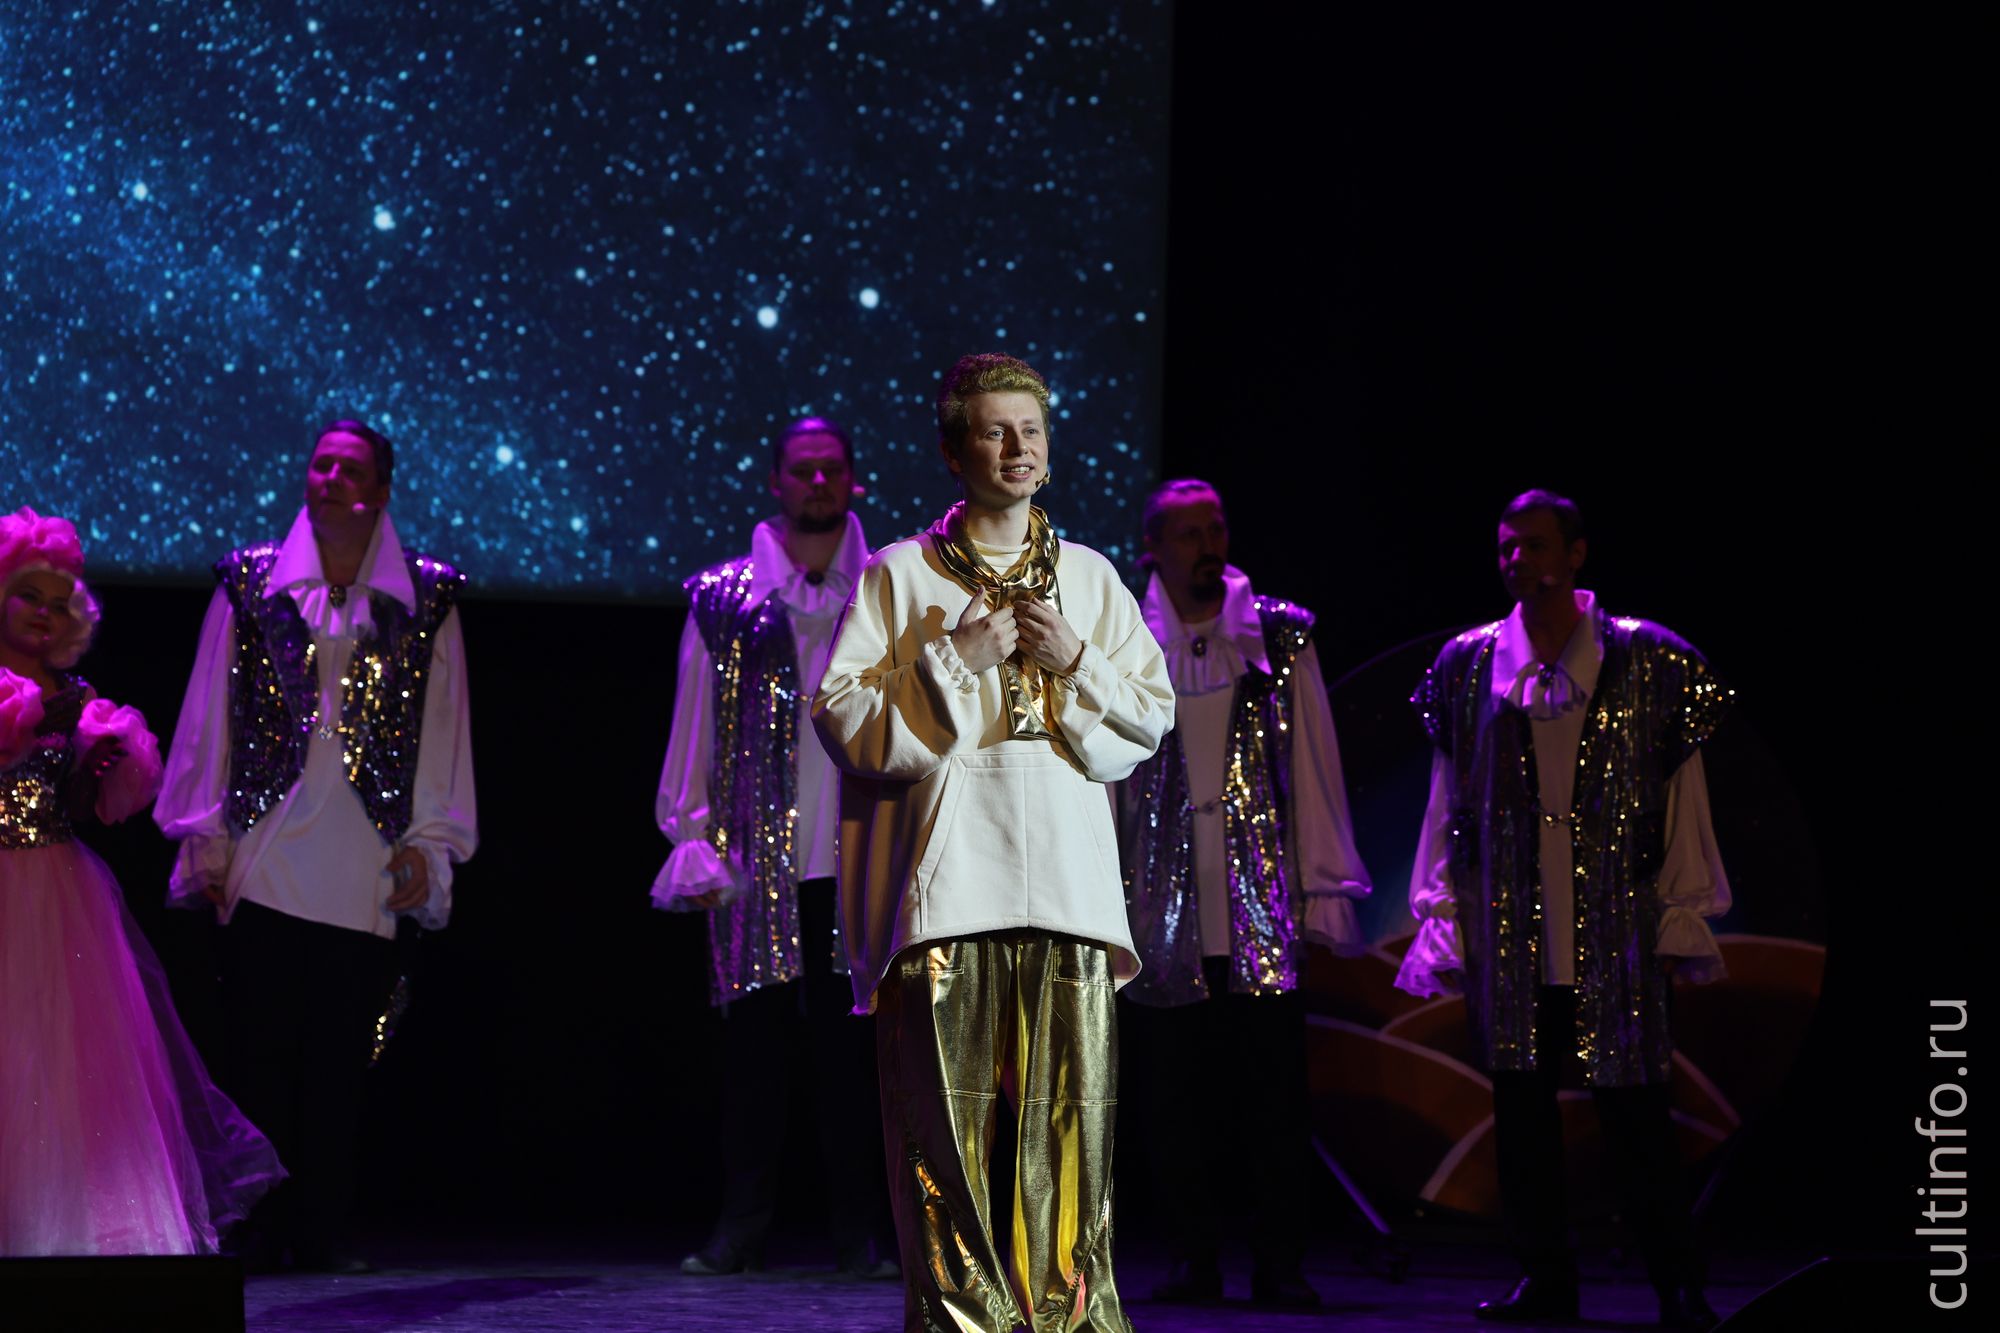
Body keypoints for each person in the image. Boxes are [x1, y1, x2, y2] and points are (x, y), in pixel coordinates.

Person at [812, 352, 1173, 1333]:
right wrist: (955, 659)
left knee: (1073, 1131)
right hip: (949, 893)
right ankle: (959, 1319)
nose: (1017, 448)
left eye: (1031, 431)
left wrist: (1076, 660)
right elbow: (843, 720)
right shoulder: (900, 575)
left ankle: (1071, 1319)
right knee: (944, 1135)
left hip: (1068, 891)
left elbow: (1146, 718)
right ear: (953, 450)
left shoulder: (1090, 577)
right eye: (994, 431)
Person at [1395, 489, 1729, 1331]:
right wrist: (1443, 908)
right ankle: (1544, 1277)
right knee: (1522, 1115)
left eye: (1536, 545)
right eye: (1507, 547)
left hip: (1615, 927)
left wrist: (1683, 909)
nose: (1519, 561)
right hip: (1512, 928)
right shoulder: (1469, 663)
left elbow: (1683, 795)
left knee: (1636, 1114)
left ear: (1576, 554)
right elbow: (1447, 797)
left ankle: (1676, 1282)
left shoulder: (1648, 656)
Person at [154, 421, 477, 1272]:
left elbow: (443, 726)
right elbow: (209, 710)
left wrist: (430, 841)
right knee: (259, 1045)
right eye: (320, 462)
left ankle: (326, 1228)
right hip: (268, 843)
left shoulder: (427, 598)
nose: (329, 476)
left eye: (350, 468)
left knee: (339, 1055)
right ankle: (259, 1224)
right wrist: (204, 831)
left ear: (381, 490)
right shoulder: (250, 582)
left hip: (363, 853)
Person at [1, 507, 283, 1255]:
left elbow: (85, 807)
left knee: (62, 1063)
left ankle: (64, 1231)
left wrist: (97, 762)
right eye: (27, 595)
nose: (43, 612)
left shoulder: (76, 697)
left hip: (56, 889)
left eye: (58, 601)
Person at [652, 416, 896, 1279]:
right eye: (803, 470)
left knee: (853, 1063)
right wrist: (691, 832)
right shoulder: (724, 598)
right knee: (751, 1060)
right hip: (755, 862)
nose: (818, 483)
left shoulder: (895, 590)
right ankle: (741, 1227)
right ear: (777, 482)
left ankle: (859, 1234)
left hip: (858, 862)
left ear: (852, 480)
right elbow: (695, 718)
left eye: (832, 469)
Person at [1118, 477, 1372, 1307]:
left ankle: (1279, 1262)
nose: (1208, 544)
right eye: (1189, 533)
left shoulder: (1281, 637)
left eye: (1216, 528)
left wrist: (1321, 887)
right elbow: (1103, 780)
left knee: (1272, 1098)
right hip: (1162, 911)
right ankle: (1192, 1256)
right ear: (1154, 549)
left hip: (1258, 904)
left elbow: (1314, 762)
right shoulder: (1120, 639)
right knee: (1172, 1099)